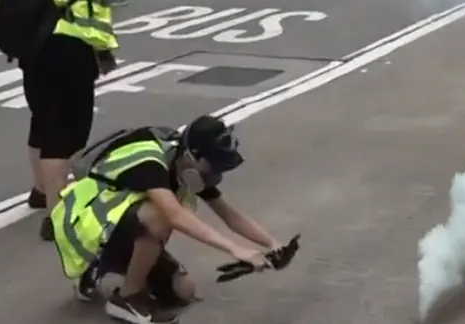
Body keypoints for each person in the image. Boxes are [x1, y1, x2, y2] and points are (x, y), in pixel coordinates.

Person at [53, 115, 292, 324]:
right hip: (84, 228)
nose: (216, 175)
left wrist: (273, 245)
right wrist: (236, 250)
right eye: (213, 167)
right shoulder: (149, 161)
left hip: (118, 228)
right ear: (192, 156)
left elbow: (230, 215)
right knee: (160, 216)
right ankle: (125, 298)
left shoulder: (183, 165)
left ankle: (107, 270)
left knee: (183, 291)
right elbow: (174, 216)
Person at [24, 0, 131, 240]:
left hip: (34, 48)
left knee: (42, 120)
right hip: (68, 51)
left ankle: (41, 190)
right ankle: (58, 216)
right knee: (66, 134)